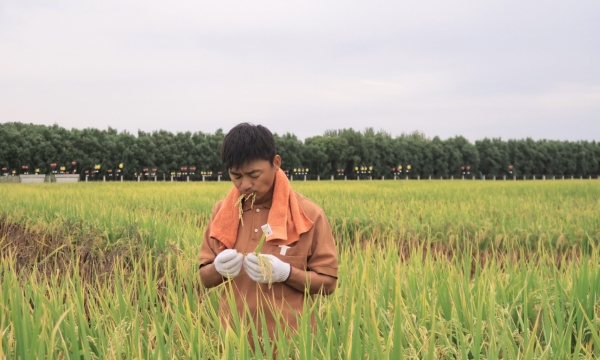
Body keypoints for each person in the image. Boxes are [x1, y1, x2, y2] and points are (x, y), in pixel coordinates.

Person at [199, 123, 338, 338]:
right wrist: (218, 269)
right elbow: (205, 279)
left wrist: (287, 274)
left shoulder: (309, 214)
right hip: (234, 343)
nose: (244, 184)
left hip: (291, 343)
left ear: (276, 163)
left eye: (253, 174)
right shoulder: (222, 213)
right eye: (236, 176)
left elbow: (328, 284)